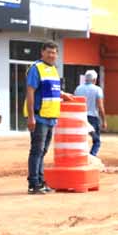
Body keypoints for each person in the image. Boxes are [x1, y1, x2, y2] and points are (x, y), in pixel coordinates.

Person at [25, 41, 76, 194]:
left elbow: (53, 90)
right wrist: (31, 117)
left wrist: (63, 94)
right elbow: (30, 93)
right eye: (49, 52)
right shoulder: (36, 69)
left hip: (51, 117)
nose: (52, 55)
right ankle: (33, 183)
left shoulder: (53, 69)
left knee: (43, 151)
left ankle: (40, 181)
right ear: (42, 52)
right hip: (39, 117)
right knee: (37, 150)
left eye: (54, 52)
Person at [75, 69, 106, 157]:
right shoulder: (97, 90)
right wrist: (104, 120)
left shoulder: (78, 88)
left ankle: (79, 156)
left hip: (80, 117)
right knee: (96, 140)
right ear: (95, 80)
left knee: (80, 139)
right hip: (93, 118)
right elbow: (100, 106)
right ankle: (92, 156)